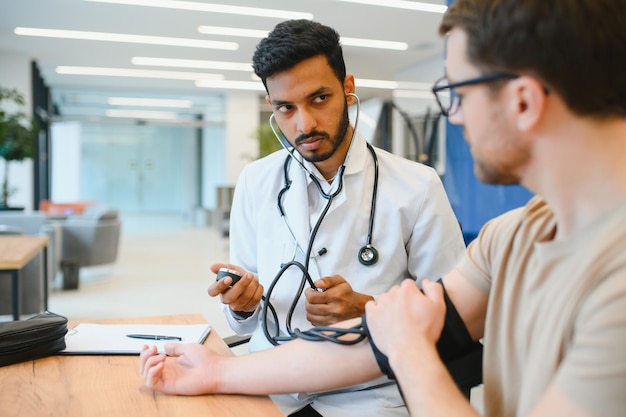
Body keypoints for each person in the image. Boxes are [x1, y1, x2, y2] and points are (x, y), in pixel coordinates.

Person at [140, 1, 626, 416]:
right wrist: (220, 370)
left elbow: (401, 338)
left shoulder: (614, 278)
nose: (453, 115)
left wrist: (405, 341)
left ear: (522, 101)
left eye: (456, 92)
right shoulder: (510, 237)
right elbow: (365, 347)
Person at [206, 19, 466, 417]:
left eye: (319, 98)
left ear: (348, 89)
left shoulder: (417, 185)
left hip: (368, 394)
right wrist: (241, 304)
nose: (304, 123)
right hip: (271, 387)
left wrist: (368, 308)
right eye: (285, 108)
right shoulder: (256, 181)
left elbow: (453, 316)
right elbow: (244, 322)